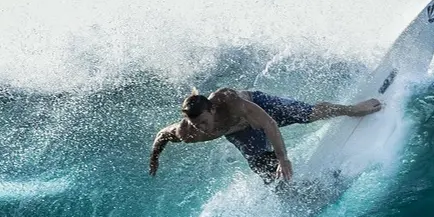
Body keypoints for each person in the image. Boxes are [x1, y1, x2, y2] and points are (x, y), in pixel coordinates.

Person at [148, 88, 383, 183]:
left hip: (262, 109)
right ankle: (295, 196)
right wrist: (154, 157)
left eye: (204, 122)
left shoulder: (229, 101)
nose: (202, 129)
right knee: (266, 172)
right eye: (196, 125)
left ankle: (352, 109)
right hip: (240, 134)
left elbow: (269, 124)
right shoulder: (188, 132)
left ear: (211, 109)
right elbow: (162, 135)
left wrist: (284, 158)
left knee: (308, 114)